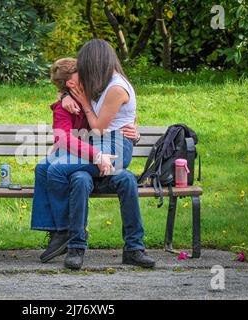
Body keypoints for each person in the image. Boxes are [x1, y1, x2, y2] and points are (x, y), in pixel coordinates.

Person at [53, 39, 155, 270]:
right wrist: (64, 96)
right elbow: (68, 86)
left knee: (124, 179)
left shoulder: (116, 88)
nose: (84, 69)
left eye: (86, 64)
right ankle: (76, 247)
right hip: (98, 152)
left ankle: (134, 249)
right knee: (79, 179)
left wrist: (85, 104)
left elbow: (100, 126)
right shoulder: (101, 84)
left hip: (111, 151)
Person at [31, 57, 140, 263]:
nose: (90, 73)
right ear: (72, 83)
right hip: (88, 161)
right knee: (45, 168)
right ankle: (60, 233)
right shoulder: (65, 106)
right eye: (83, 72)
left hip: (108, 155)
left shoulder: (98, 92)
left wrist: (136, 132)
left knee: (57, 170)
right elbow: (62, 138)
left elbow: (125, 116)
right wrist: (63, 97)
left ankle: (133, 249)